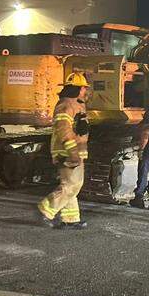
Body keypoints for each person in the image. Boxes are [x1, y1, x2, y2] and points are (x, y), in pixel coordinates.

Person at [37, 72, 91, 230]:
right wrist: (72, 151)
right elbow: (63, 130)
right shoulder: (66, 106)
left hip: (76, 151)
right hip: (67, 151)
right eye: (83, 88)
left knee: (74, 185)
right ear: (78, 89)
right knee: (69, 185)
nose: (85, 91)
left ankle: (71, 218)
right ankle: (46, 210)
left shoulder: (76, 104)